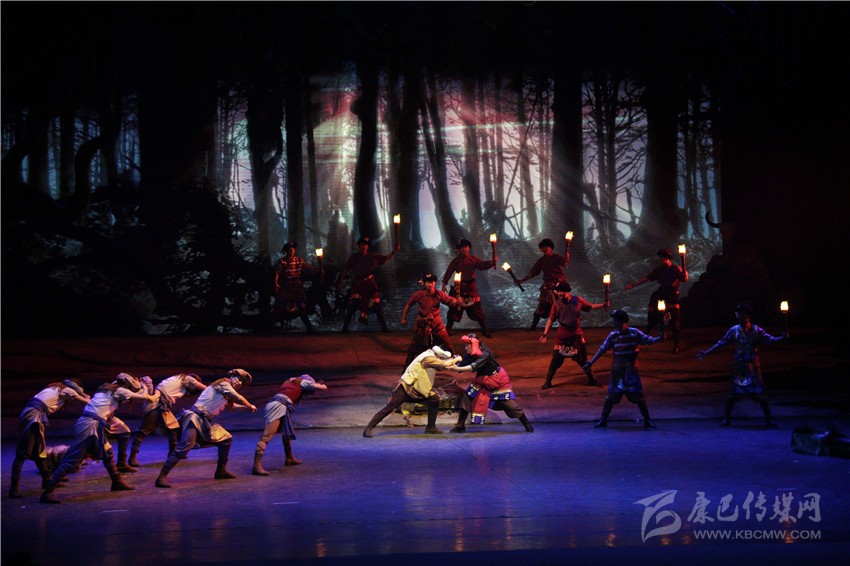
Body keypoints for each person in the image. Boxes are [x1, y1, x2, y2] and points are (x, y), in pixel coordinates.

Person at [40, 373, 157, 504]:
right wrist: (144, 386)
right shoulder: (120, 391)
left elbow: (130, 395)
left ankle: (116, 482)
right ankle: (48, 492)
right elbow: (144, 396)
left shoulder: (106, 388)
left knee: (108, 453)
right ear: (126, 385)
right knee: (73, 459)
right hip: (90, 424)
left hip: (91, 423)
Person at [155, 369, 257, 488]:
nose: (239, 383)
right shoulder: (223, 383)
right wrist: (249, 405)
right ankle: (161, 477)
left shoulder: (226, 394)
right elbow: (238, 397)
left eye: (241, 383)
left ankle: (221, 471)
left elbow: (232, 405)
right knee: (184, 447)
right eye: (238, 379)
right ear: (232, 376)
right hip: (194, 418)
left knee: (226, 439)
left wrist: (246, 408)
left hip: (205, 421)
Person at [696, 303, 788, 427]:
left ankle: (769, 419)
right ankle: (726, 418)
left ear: (748, 315)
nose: (738, 316)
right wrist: (707, 352)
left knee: (759, 391)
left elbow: (770, 340)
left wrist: (782, 338)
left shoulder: (756, 330)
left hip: (753, 368)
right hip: (742, 369)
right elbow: (721, 343)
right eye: (738, 314)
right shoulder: (734, 330)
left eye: (741, 314)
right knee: (734, 391)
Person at [9, 379, 90, 498]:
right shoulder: (67, 389)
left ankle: (47, 480)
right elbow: (85, 401)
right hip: (33, 417)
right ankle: (13, 489)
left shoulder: (56, 388)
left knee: (39, 452)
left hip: (32, 415)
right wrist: (87, 398)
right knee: (22, 453)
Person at [584, 309, 663, 429]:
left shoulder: (634, 333)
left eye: (615, 320)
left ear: (621, 321)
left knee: (638, 396)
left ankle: (647, 420)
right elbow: (602, 349)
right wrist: (591, 362)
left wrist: (659, 338)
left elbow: (648, 340)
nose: (614, 322)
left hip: (631, 370)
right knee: (611, 396)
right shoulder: (613, 335)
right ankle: (603, 420)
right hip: (618, 370)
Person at [363, 346, 462, 438]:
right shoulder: (428, 358)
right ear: (437, 354)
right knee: (390, 407)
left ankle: (431, 428)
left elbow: (444, 366)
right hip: (406, 388)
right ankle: (369, 428)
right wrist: (457, 359)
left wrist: (457, 365)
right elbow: (444, 364)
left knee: (434, 399)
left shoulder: (431, 357)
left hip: (419, 390)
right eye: (440, 357)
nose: (440, 359)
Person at [448, 333, 535, 433]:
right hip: (483, 380)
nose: (465, 347)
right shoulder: (470, 354)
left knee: (509, 405)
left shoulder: (485, 354)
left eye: (467, 345)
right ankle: (460, 425)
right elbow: (460, 366)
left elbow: (472, 367)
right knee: (468, 396)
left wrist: (457, 368)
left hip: (497, 379)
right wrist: (448, 363)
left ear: (474, 344)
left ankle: (526, 424)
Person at [252, 374, 328, 476]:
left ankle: (289, 458)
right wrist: (318, 384)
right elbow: (324, 387)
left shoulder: (290, 382)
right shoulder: (301, 381)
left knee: (286, 432)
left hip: (280, 406)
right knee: (267, 436)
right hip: (278, 406)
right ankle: (256, 466)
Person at [127, 372, 207, 467]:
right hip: (157, 404)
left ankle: (173, 454)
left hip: (161, 405)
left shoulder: (177, 380)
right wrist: (213, 392)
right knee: (144, 430)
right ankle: (132, 457)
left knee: (173, 429)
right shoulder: (188, 379)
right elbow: (204, 388)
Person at [538, 282, 608, 389]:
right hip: (563, 336)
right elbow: (550, 320)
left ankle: (592, 380)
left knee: (582, 359)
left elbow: (590, 306)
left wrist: (603, 305)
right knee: (556, 360)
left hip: (576, 335)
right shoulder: (556, 305)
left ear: (567, 291)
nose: (560, 293)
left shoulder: (577, 300)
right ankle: (548, 382)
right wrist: (545, 334)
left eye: (562, 291)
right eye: (558, 291)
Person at [624, 247, 689, 354]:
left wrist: (684, 273)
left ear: (668, 258)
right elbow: (647, 278)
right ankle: (640, 341)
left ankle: (676, 345)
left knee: (674, 322)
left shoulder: (676, 268)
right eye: (661, 258)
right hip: (661, 294)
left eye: (664, 258)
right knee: (652, 320)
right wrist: (634, 285)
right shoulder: (659, 269)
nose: (662, 259)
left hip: (672, 295)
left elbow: (684, 279)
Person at [337, 235, 399, 332]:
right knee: (353, 305)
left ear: (367, 246)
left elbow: (386, 258)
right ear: (359, 246)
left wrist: (394, 251)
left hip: (370, 285)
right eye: (362, 245)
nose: (364, 246)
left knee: (376, 306)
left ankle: (384, 327)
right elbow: (346, 269)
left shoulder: (373, 257)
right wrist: (341, 282)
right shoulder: (354, 257)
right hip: (359, 285)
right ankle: (345, 328)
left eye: (365, 245)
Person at [400, 273, 459, 369]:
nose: (430, 284)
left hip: (436, 322)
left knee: (446, 343)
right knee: (414, 346)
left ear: (434, 283)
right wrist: (403, 318)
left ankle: (456, 363)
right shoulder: (419, 294)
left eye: (431, 282)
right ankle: (407, 367)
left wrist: (456, 301)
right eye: (427, 282)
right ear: (424, 283)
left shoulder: (439, 294)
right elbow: (408, 304)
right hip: (422, 323)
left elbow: (449, 301)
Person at [440, 238, 497, 338]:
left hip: (471, 288)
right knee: (453, 310)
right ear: (459, 249)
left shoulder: (474, 259)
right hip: (458, 288)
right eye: (462, 247)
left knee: (477, 309)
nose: (464, 249)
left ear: (468, 248)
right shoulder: (455, 261)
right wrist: (444, 284)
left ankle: (485, 330)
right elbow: (449, 271)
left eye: (465, 247)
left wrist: (492, 262)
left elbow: (482, 265)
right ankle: (447, 331)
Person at [516, 238, 570, 331]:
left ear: (551, 248)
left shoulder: (556, 257)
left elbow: (565, 262)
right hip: (547, 286)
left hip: (559, 286)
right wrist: (521, 281)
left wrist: (567, 247)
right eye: (542, 247)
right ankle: (533, 327)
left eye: (546, 247)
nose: (544, 249)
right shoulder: (541, 261)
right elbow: (532, 273)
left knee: (560, 306)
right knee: (541, 306)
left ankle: (566, 326)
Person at [274, 241, 321, 334]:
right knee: (279, 307)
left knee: (302, 308)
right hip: (286, 286)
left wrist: (319, 269)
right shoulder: (282, 261)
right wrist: (275, 283)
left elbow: (310, 269)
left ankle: (310, 329)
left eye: (293, 249)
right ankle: (271, 328)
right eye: (289, 249)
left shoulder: (299, 260)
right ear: (286, 251)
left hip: (297, 287)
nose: (291, 251)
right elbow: (277, 273)